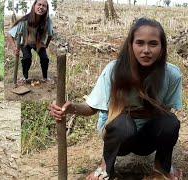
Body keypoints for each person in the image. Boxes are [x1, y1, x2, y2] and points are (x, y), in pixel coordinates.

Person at [50, 18, 182, 179]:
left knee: (171, 122)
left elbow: (165, 114)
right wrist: (71, 108)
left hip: (147, 141)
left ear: (162, 48)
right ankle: (106, 168)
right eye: (140, 43)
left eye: (153, 44)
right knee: (123, 124)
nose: (146, 50)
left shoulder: (172, 75)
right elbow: (91, 108)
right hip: (118, 138)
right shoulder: (114, 70)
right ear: (130, 45)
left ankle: (161, 169)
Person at [8, 0, 53, 84]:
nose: (41, 7)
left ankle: (45, 78)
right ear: (34, 6)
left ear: (47, 9)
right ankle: (25, 77)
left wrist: (46, 45)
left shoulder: (47, 21)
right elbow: (10, 34)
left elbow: (50, 35)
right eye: (39, 5)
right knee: (27, 58)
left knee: (44, 58)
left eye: (44, 6)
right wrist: (14, 48)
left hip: (38, 43)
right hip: (25, 42)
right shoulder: (24, 20)